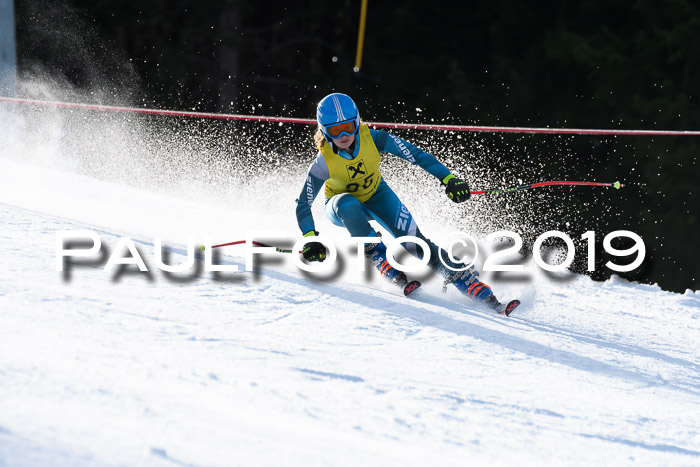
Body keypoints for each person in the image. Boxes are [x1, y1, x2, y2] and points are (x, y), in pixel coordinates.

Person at [295, 92, 509, 312]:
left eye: (348, 127)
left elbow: (416, 155)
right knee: (347, 203)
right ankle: (377, 255)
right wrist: (310, 238)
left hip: (377, 195)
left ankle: (466, 280)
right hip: (340, 207)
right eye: (334, 130)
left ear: (357, 122)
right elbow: (303, 203)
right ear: (324, 131)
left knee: (415, 244)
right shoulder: (323, 163)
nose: (343, 135)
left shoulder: (374, 138)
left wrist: (448, 178)